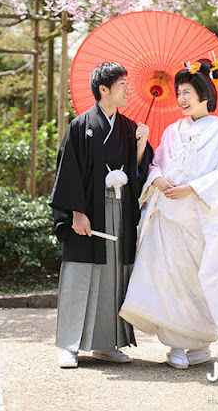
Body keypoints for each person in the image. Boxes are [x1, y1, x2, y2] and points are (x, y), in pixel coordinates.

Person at [119, 58, 218, 369]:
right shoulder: (173, 130)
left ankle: (198, 342)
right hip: (167, 217)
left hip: (197, 218)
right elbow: (157, 163)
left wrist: (193, 188)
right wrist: (156, 177)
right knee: (166, 278)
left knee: (195, 280)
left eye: (187, 93)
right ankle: (174, 344)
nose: (182, 99)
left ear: (204, 95)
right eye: (179, 93)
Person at [49, 62, 153, 368]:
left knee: (114, 276)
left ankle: (107, 344)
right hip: (89, 212)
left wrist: (142, 144)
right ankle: (70, 345)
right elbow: (68, 173)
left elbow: (137, 171)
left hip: (119, 210)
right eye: (123, 85)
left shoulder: (130, 128)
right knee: (80, 276)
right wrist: (77, 214)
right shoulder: (80, 126)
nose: (128, 90)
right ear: (103, 89)